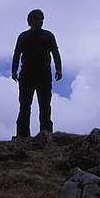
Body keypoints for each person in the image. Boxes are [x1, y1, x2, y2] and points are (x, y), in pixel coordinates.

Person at [12, 9, 62, 137]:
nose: (39, 21)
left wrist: (58, 68)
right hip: (26, 75)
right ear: (30, 21)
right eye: (36, 18)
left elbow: (55, 52)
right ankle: (22, 135)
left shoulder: (48, 35)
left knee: (45, 105)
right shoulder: (23, 36)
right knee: (24, 105)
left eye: (41, 18)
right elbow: (17, 53)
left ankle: (46, 134)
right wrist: (14, 70)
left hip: (44, 74)